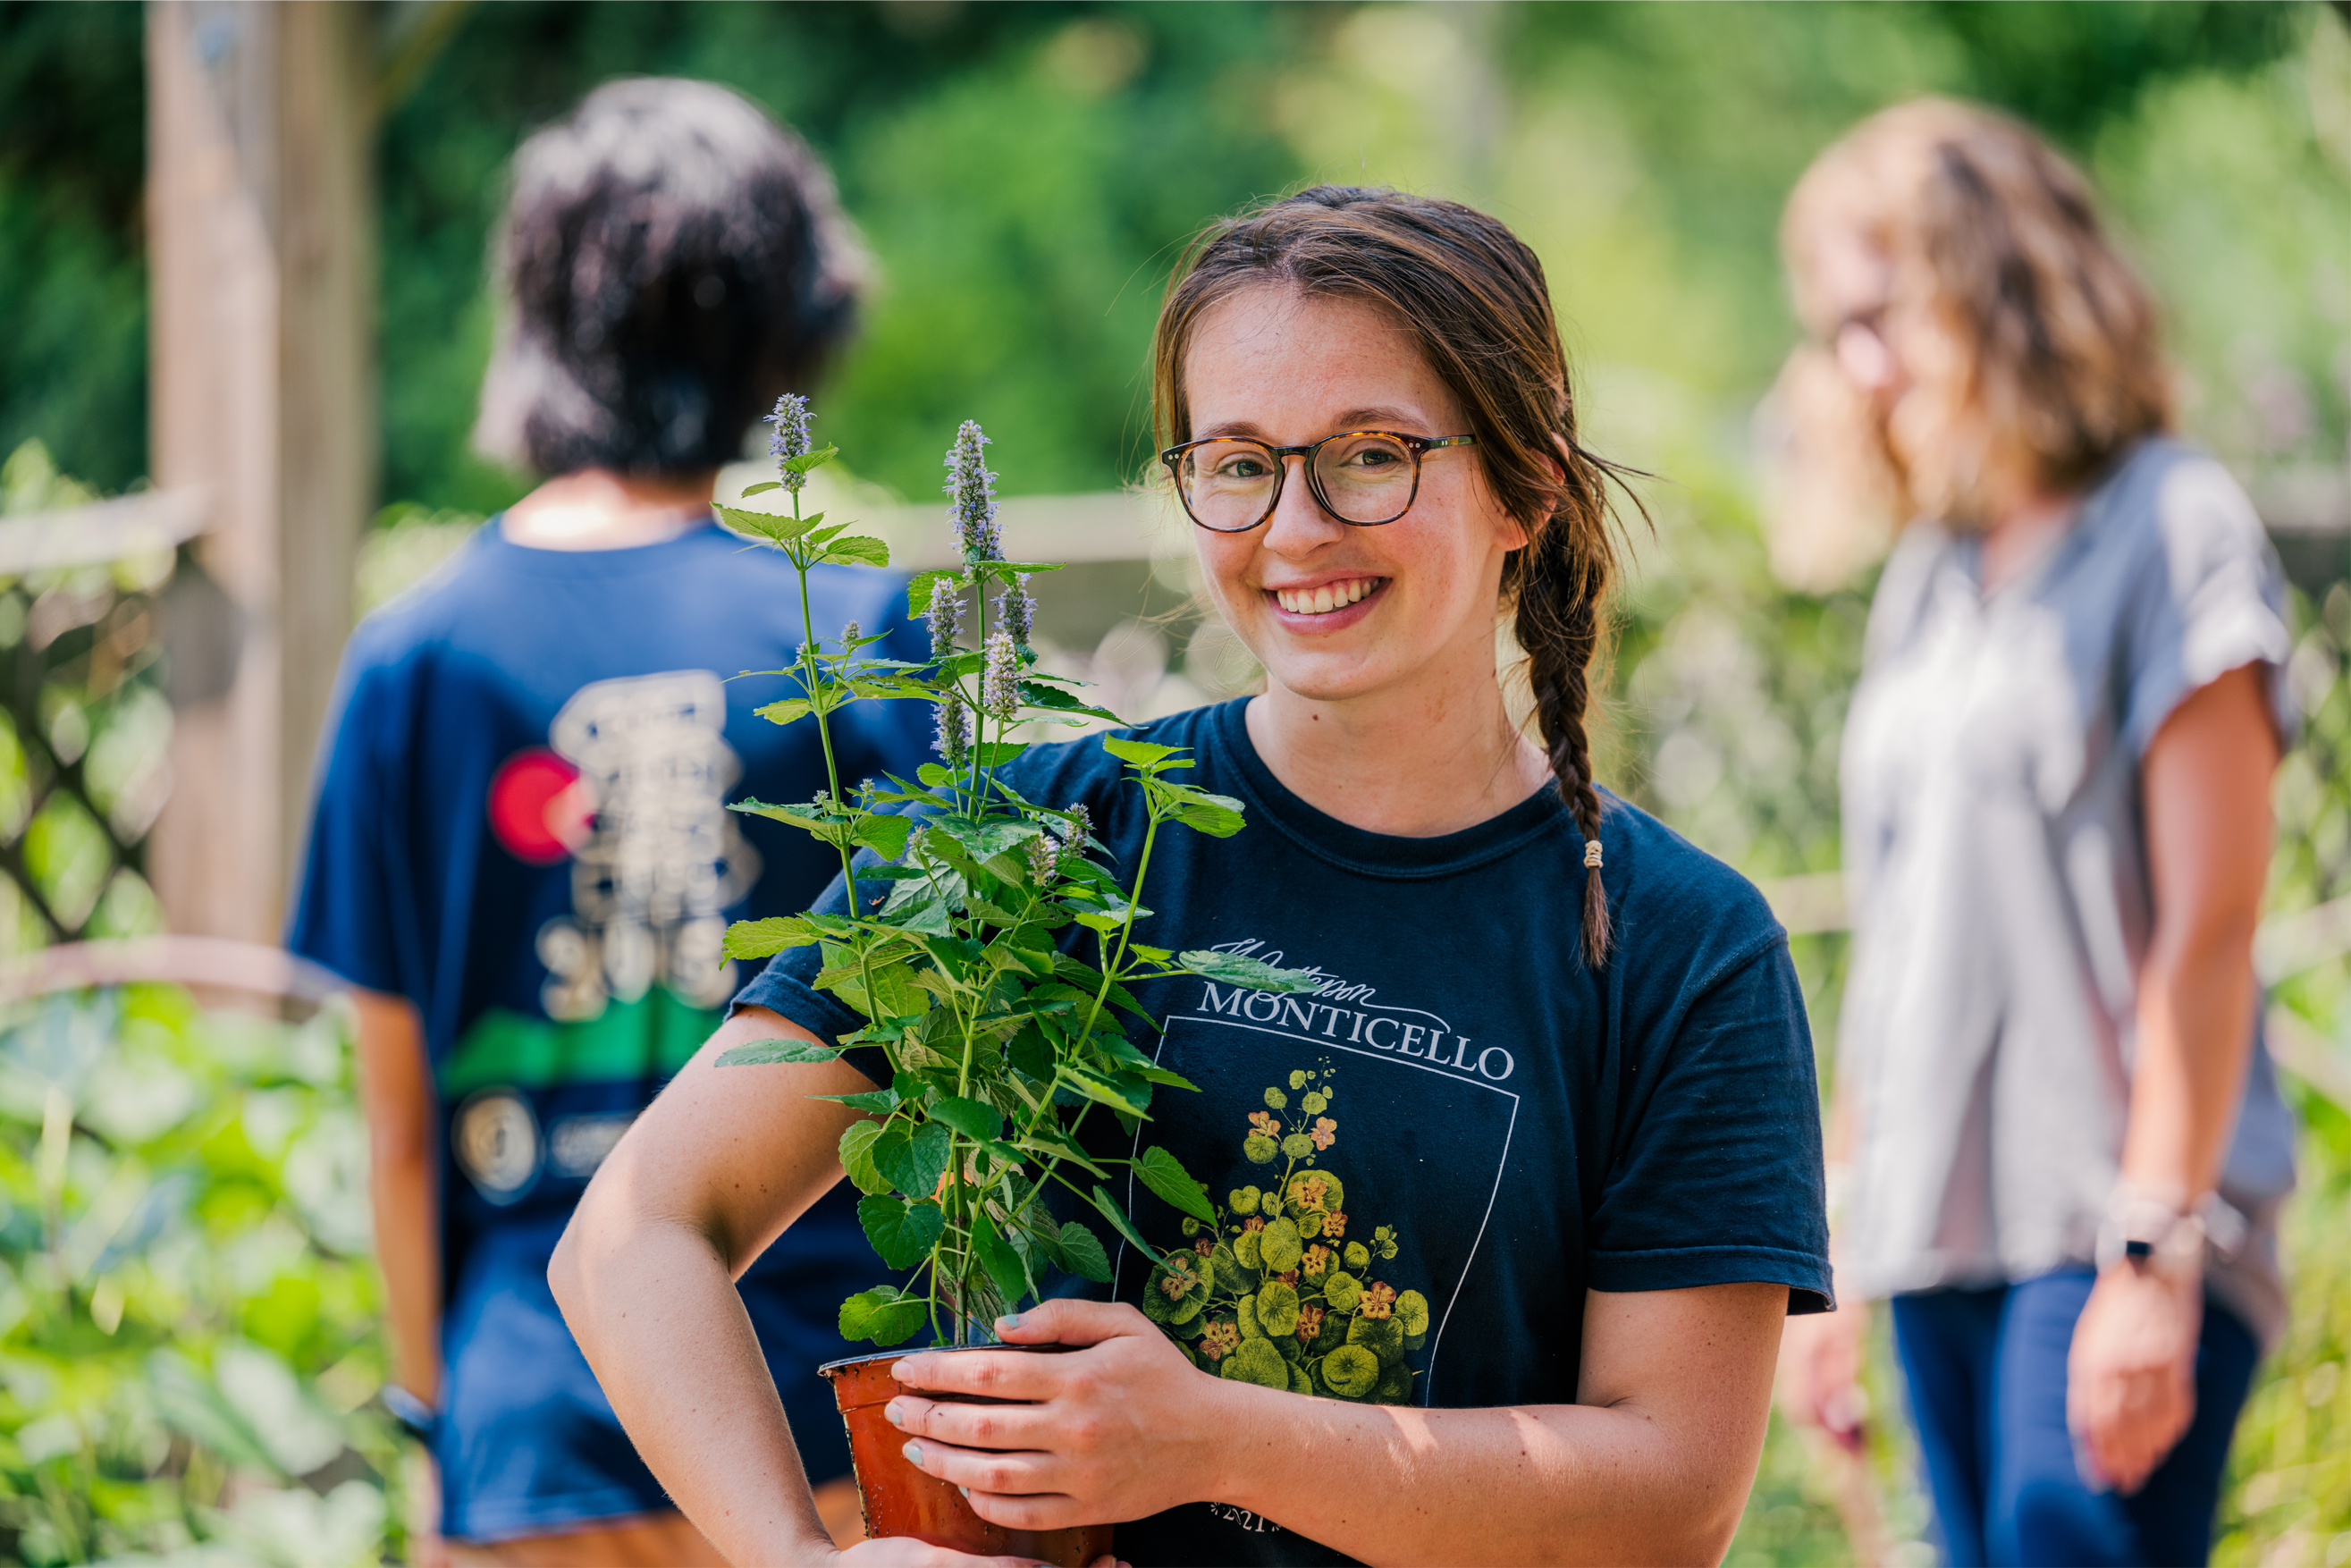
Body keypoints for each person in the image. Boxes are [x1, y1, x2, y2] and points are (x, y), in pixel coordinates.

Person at [550, 184, 1833, 1567]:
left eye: (1370, 455)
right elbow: (635, 1232)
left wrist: (1214, 1436)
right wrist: (798, 1559)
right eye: (1235, 463)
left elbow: (1670, 1496)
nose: (1295, 527)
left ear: (1526, 480)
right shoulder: (1040, 839)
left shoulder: (1680, 945)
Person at [289, 79, 930, 1566]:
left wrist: (435, 1423)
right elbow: (952, 1059)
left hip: (529, 1436)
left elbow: (399, 1127)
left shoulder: (415, 657)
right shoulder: (851, 626)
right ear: (785, 317)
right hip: (821, 1420)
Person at [1767, 100, 2298, 1568]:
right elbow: (1902, 943)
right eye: (1833, 330)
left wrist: (2151, 1250)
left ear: (1993, 285)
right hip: (1936, 1234)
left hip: (2116, 1223)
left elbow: (2208, 925)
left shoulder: (2171, 526)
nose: (1859, 368)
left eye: (1881, 314)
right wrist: (1831, 1262)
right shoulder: (1929, 576)